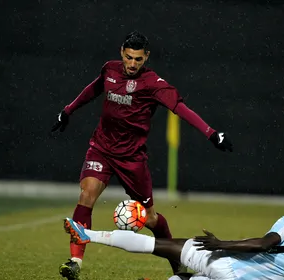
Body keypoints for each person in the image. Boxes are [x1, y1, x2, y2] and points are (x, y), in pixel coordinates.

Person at [51, 31, 233, 280]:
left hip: (132, 159)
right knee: (86, 195)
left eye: (138, 59)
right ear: (121, 53)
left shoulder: (154, 84)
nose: (132, 64)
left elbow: (181, 109)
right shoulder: (109, 70)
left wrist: (212, 134)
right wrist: (68, 110)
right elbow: (93, 89)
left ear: (146, 57)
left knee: (150, 218)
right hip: (101, 149)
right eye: (128, 57)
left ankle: (178, 266)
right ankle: (75, 261)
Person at [63, 205, 284, 280]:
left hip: (227, 262)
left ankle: (90, 235)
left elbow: (263, 243)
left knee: (165, 245)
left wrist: (222, 243)